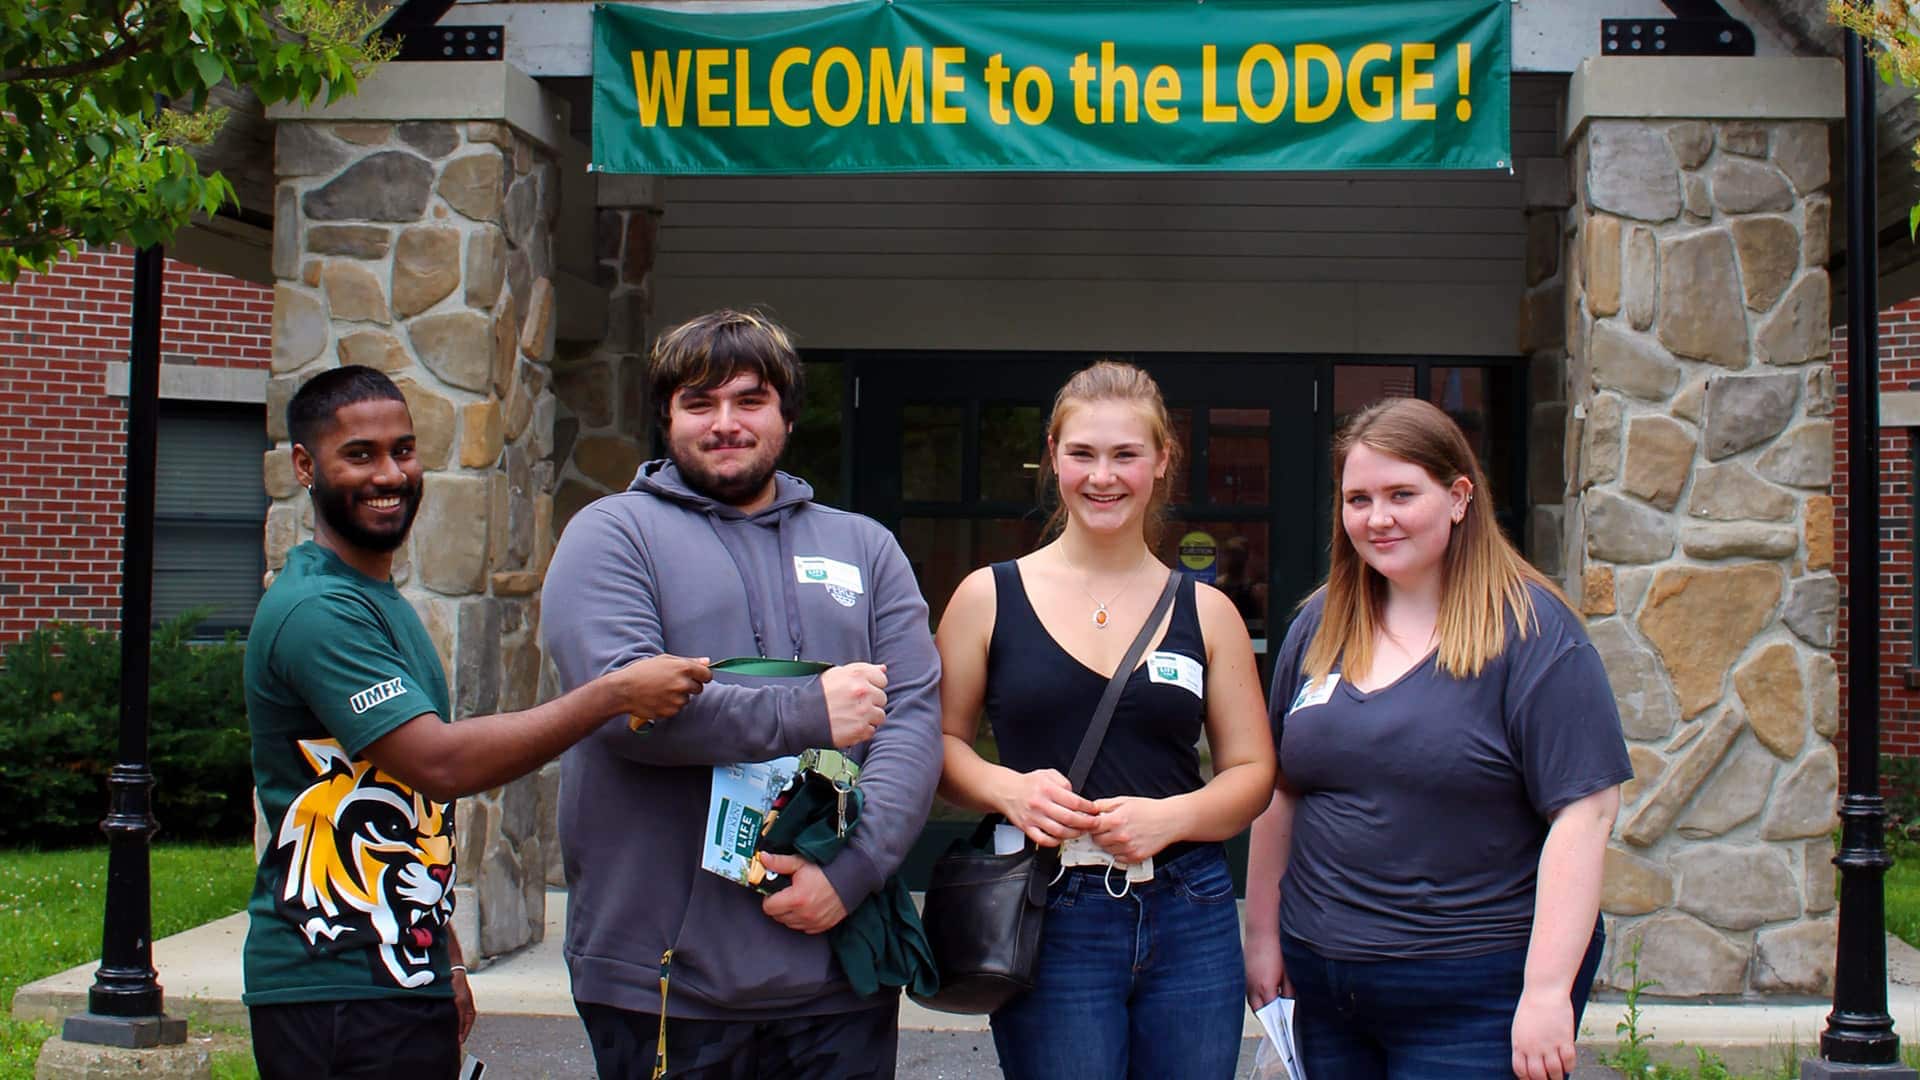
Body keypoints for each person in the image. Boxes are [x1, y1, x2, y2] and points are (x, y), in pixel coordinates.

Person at [243, 365, 711, 1080]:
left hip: (400, 971)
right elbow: (440, 764)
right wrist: (613, 693)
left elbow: (414, 800)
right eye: (359, 455)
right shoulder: (319, 613)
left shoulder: (377, 600)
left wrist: (445, 956)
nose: (389, 474)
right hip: (332, 984)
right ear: (306, 465)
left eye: (402, 450)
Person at [540, 309, 942, 1079]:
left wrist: (850, 875)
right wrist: (806, 709)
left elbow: (914, 720)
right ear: (667, 419)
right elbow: (621, 712)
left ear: (787, 414)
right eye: (699, 403)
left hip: (836, 965)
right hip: (662, 977)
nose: (725, 423)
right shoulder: (611, 534)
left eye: (749, 400)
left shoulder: (865, 547)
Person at [1243, 398, 1632, 1080]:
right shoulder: (1318, 626)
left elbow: (1586, 810)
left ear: (1458, 498)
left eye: (1401, 494)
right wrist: (1263, 936)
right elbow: (1283, 794)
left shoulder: (1533, 631)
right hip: (1325, 990)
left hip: (1473, 993)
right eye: (1358, 498)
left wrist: (1545, 992)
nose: (1377, 518)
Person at [934, 360, 1275, 1080]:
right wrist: (1008, 790)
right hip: (1049, 908)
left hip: (1191, 910)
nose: (1103, 476)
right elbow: (936, 746)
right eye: (1082, 453)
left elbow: (1252, 772)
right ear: (1053, 456)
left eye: (1125, 454)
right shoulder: (987, 597)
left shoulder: (1207, 612)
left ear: (1161, 462)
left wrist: (1174, 818)